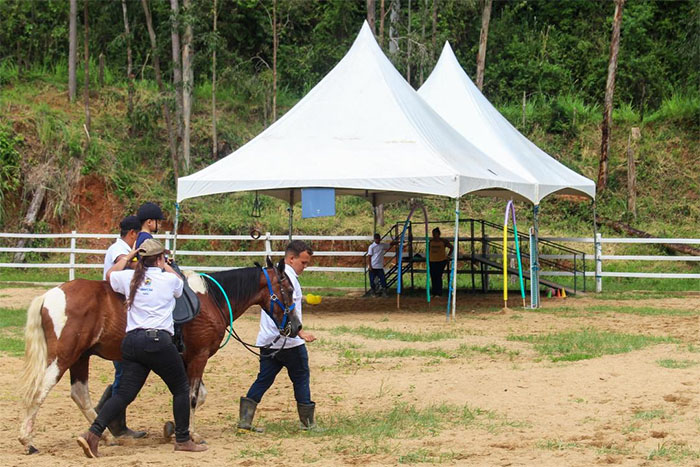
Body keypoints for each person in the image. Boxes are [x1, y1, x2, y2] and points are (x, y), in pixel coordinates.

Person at [77, 239, 207, 457]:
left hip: (131, 342)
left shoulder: (129, 277)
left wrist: (128, 258)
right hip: (158, 342)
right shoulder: (167, 280)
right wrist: (166, 265)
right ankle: (183, 439)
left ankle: (92, 434)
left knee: (123, 395)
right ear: (159, 258)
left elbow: (109, 275)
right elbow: (180, 284)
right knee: (181, 388)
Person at [237, 240, 318, 432]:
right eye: (303, 263)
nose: (304, 267)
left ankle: (245, 420)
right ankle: (307, 423)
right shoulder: (287, 281)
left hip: (268, 341)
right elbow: (288, 312)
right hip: (289, 342)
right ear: (291, 259)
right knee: (301, 377)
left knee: (263, 379)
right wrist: (300, 333)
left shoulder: (274, 277)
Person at [96, 215, 146, 439]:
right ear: (133, 234)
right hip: (117, 312)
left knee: (123, 371)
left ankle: (106, 410)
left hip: (121, 310)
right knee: (123, 372)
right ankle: (114, 421)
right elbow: (124, 267)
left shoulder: (120, 247)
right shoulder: (120, 249)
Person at [428, 227, 453, 297]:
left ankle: (439, 293)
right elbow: (428, 250)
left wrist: (448, 256)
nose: (434, 236)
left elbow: (451, 247)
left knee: (438, 276)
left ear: (439, 234)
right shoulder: (431, 241)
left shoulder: (443, 241)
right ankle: (434, 292)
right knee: (433, 276)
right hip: (432, 260)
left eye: (435, 234)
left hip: (441, 260)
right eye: (433, 234)